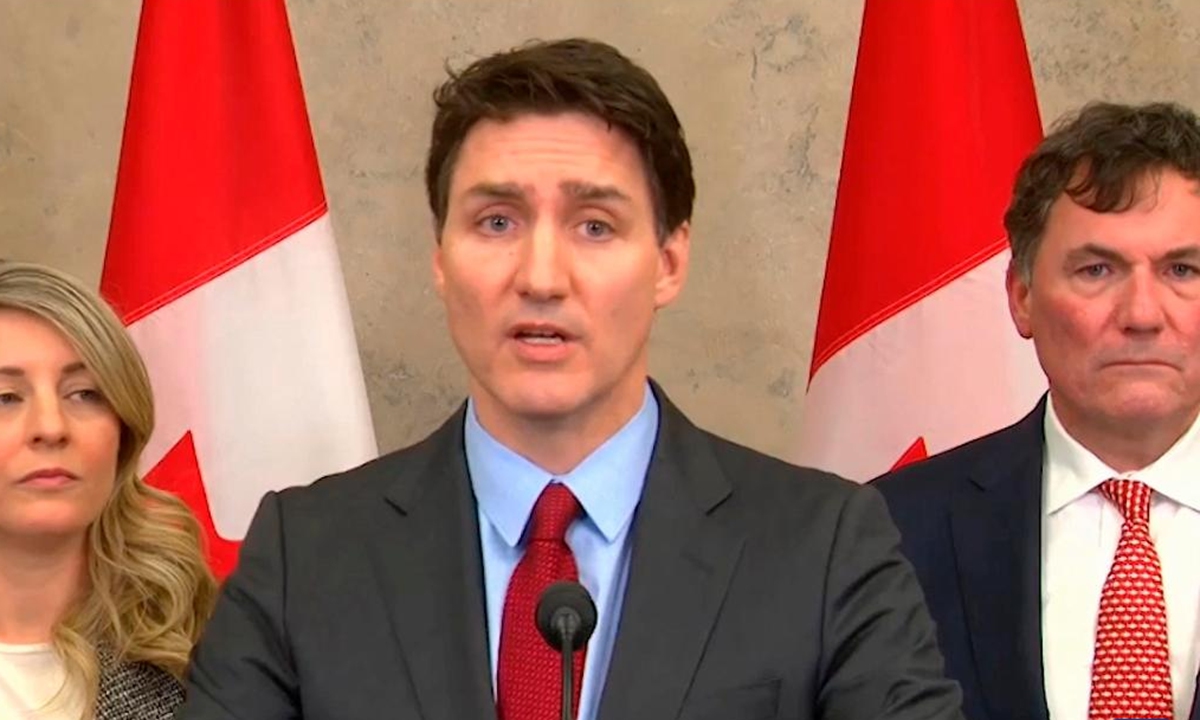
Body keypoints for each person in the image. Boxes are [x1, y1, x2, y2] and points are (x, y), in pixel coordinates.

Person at [179, 38, 964, 720]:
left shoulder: (823, 547)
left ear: (669, 262)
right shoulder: (307, 555)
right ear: (441, 259)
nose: (542, 277)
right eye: (496, 222)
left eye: (595, 226)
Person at [875, 101, 1200, 720]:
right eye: (1097, 270)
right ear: (1022, 297)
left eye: (1182, 269)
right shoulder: (888, 530)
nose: (1141, 314)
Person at [0, 261, 217, 719]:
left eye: (85, 393)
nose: (51, 427)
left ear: (123, 431)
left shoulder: (206, 648)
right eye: (5, 398)